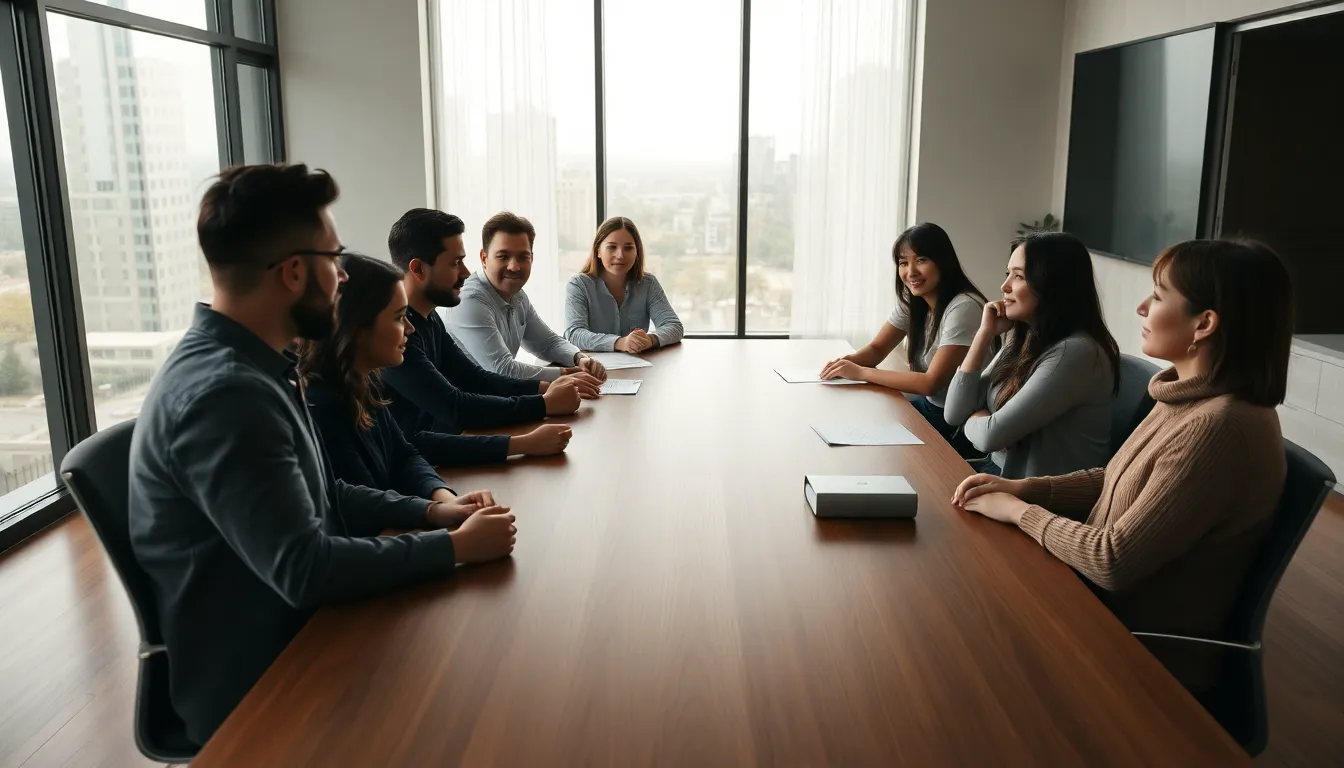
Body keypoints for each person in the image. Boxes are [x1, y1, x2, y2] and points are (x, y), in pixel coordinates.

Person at [127, 163, 516, 745]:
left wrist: (436, 511)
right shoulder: (226, 395)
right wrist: (452, 548)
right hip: (268, 678)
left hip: (304, 630)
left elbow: (323, 490)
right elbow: (306, 570)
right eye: (333, 261)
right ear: (292, 273)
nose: (341, 278)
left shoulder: (258, 366)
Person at [952, 238, 1292, 696]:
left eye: (1157, 295)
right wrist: (1025, 487)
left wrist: (1018, 512)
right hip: (1089, 605)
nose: (1140, 307)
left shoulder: (1220, 425)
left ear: (1205, 323)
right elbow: (1114, 478)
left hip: (1131, 652)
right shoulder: (1184, 394)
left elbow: (1112, 560)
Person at [298, 253, 530, 497]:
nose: (409, 329)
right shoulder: (320, 406)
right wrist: (437, 514)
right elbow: (363, 506)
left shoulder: (365, 384)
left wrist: (444, 498)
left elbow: (404, 455)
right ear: (357, 326)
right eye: (399, 318)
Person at [381, 208, 595, 466]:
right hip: (410, 471)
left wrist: (547, 391)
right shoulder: (392, 335)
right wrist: (542, 405)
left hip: (429, 460)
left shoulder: (429, 318)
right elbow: (455, 408)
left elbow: (474, 378)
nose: (465, 272)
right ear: (418, 269)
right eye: (455, 263)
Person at [943, 233, 1119, 478]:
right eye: (1008, 274)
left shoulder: (1076, 352)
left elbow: (990, 436)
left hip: (1039, 498)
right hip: (999, 473)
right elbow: (953, 412)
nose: (1004, 287)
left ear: (1052, 283)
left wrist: (974, 416)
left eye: (1018, 276)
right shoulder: (1024, 336)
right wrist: (985, 333)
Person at [819, 222, 988, 455]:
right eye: (903, 263)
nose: (911, 272)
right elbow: (877, 348)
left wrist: (859, 372)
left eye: (921, 260)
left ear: (943, 261)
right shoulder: (913, 301)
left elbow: (931, 382)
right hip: (930, 407)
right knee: (853, 426)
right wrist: (845, 363)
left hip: (958, 425)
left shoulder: (964, 307)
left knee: (873, 448)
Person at [446, 211, 609, 381]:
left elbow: (548, 343)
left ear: (532, 258)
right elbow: (502, 370)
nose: (514, 267)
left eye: (523, 257)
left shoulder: (517, 295)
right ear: (484, 258)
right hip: (467, 403)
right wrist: (568, 375)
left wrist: (579, 358)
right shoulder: (469, 300)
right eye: (503, 256)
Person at [563, 216, 684, 352]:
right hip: (592, 368)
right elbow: (574, 333)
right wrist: (620, 343)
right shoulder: (579, 285)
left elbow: (674, 326)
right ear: (598, 251)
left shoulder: (648, 284)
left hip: (639, 367)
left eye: (628, 248)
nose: (620, 255)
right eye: (612, 247)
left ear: (637, 252)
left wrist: (650, 339)